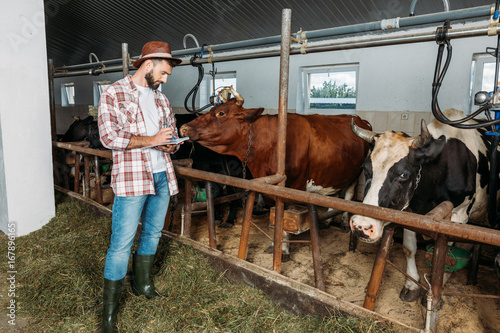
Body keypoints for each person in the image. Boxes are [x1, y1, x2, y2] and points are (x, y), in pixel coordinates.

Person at [97, 40, 183, 332]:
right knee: (121, 245)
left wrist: (170, 145)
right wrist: (154, 140)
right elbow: (110, 139)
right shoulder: (114, 93)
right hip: (133, 179)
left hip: (161, 175)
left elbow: (166, 133)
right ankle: (109, 314)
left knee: (153, 231)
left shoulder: (161, 99)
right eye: (164, 73)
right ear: (149, 65)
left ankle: (142, 284)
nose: (165, 79)